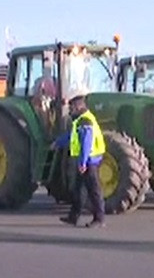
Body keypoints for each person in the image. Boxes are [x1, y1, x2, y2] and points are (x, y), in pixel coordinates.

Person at [55, 93, 106, 228]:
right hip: (85, 161)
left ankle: (99, 219)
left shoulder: (85, 121)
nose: (70, 110)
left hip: (90, 161)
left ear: (78, 107)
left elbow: (86, 143)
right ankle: (73, 217)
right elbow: (72, 136)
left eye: (71, 107)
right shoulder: (80, 120)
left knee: (94, 190)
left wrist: (83, 163)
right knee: (79, 190)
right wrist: (58, 143)